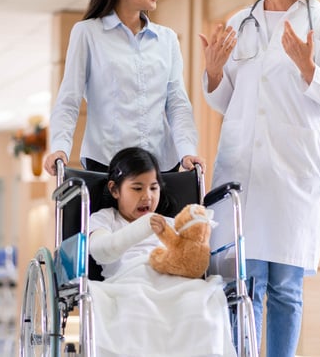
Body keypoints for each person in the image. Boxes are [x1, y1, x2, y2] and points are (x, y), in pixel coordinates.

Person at [198, 0, 320, 356]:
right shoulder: (241, 23)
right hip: (242, 172)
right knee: (243, 287)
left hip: (292, 173)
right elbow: (225, 99)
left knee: (285, 289)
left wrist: (310, 70)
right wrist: (213, 74)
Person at [44, 0, 204, 175]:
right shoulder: (88, 33)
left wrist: (187, 151)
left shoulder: (167, 39)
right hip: (107, 164)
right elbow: (69, 99)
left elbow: (177, 103)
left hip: (161, 166)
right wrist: (60, 147)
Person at [87, 147, 236, 357]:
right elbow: (102, 251)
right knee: (137, 307)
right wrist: (142, 227)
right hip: (129, 281)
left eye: (154, 188)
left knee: (200, 304)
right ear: (114, 189)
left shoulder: (170, 223)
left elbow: (191, 257)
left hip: (175, 280)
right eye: (137, 188)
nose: (147, 197)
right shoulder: (105, 219)